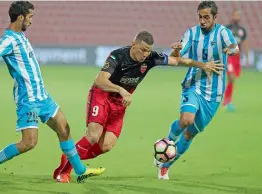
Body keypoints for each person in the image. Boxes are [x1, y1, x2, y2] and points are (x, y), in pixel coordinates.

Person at [52, 30, 224, 183]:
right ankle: (64, 173)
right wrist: (121, 90)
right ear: (133, 44)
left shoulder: (150, 59)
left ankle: (70, 157)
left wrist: (203, 65)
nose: (145, 54)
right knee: (93, 136)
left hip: (120, 104)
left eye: (148, 50)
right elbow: (100, 80)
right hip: (102, 96)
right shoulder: (117, 56)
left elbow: (177, 60)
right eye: (142, 50)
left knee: (106, 146)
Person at [0, 1, 104, 186]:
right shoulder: (8, 39)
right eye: (30, 17)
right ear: (20, 17)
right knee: (28, 143)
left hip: (42, 96)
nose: (32, 22)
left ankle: (80, 171)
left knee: (64, 128)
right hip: (28, 100)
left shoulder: (21, 35)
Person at [156, 1, 239, 180]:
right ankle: (166, 143)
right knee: (186, 120)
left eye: (206, 17)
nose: (202, 21)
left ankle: (165, 164)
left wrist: (230, 50)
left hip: (214, 94)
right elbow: (177, 58)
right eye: (200, 17)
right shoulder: (191, 33)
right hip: (193, 84)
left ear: (215, 17)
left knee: (190, 133)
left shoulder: (223, 33)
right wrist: (177, 50)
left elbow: (234, 47)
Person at [223, 9, 249, 111]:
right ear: (232, 16)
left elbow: (245, 43)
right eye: (235, 15)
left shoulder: (242, 30)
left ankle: (227, 99)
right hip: (228, 56)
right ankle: (228, 100)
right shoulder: (226, 29)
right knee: (232, 77)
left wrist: (247, 57)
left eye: (238, 15)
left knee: (232, 79)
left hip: (237, 58)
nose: (236, 17)